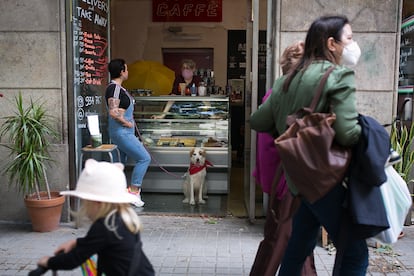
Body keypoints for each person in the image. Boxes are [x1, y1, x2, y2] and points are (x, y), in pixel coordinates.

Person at [250, 15, 368, 275]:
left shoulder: (286, 80)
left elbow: (257, 121)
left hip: (297, 181)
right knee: (355, 252)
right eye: (348, 38)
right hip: (327, 181)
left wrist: (287, 130)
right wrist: (368, 133)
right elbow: (348, 134)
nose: (353, 43)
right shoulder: (339, 76)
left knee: (298, 247)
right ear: (331, 44)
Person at [250, 41, 316, 276]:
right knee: (286, 242)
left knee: (282, 241)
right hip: (290, 183)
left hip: (284, 182)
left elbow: (265, 146)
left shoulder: (275, 93)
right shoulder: (292, 97)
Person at [36, 159, 155, 275]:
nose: (84, 206)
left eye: (85, 202)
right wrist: (77, 243)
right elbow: (98, 242)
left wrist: (48, 262)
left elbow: (73, 259)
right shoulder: (123, 218)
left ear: (97, 202)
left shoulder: (104, 227)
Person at [105, 58, 151, 207]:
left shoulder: (119, 89)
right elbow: (113, 113)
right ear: (121, 71)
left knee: (121, 164)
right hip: (123, 132)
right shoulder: (114, 88)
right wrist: (128, 123)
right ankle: (133, 191)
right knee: (144, 158)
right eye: (126, 69)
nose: (128, 72)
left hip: (124, 133)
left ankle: (116, 193)